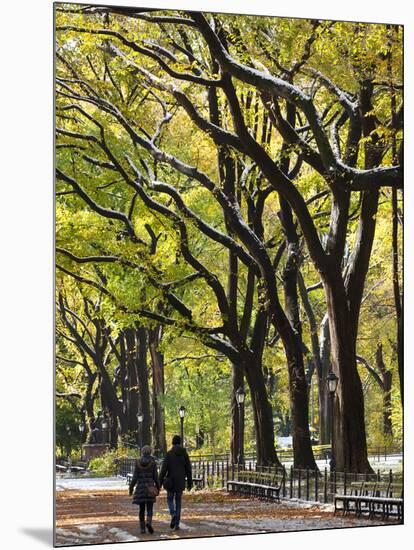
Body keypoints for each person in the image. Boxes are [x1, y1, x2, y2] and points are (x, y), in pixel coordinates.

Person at [159, 435, 192, 531]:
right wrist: (190, 482)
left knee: (169, 499)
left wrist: (159, 483)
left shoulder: (169, 454)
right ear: (180, 442)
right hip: (181, 481)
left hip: (170, 482)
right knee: (178, 502)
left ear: (172, 443)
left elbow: (163, 470)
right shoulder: (184, 454)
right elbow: (188, 469)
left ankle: (172, 514)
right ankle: (177, 524)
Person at [129, 445, 160, 534]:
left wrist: (131, 488)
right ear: (150, 452)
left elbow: (135, 477)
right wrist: (158, 487)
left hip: (140, 489)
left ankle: (142, 528)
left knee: (141, 509)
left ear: (142, 452)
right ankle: (148, 522)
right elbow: (156, 477)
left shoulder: (137, 462)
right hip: (150, 489)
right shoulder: (153, 463)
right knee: (149, 508)